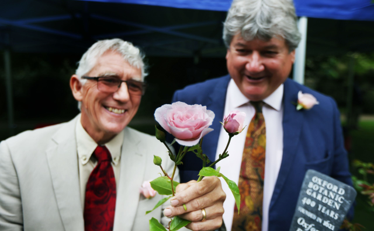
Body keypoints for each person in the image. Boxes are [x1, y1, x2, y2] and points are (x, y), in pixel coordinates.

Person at [170, 0, 352, 230]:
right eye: (243, 50)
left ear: (292, 54)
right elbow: (167, 182)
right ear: (228, 51)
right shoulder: (190, 101)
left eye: (269, 52)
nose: (254, 66)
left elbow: (341, 191)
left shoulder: (324, 111)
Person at [0, 39, 227, 230]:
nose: (123, 96)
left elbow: (173, 225)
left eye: (135, 85)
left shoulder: (159, 154)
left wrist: (201, 216)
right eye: (109, 80)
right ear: (77, 87)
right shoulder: (15, 156)